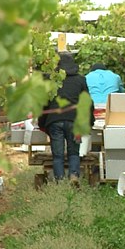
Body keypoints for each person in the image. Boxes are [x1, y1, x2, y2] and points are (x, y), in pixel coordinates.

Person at [38, 53, 94, 184]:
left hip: (54, 121)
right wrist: (90, 121)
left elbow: (44, 103)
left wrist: (43, 122)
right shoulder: (80, 80)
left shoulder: (51, 80)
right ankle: (74, 176)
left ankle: (60, 180)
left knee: (58, 155)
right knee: (74, 153)